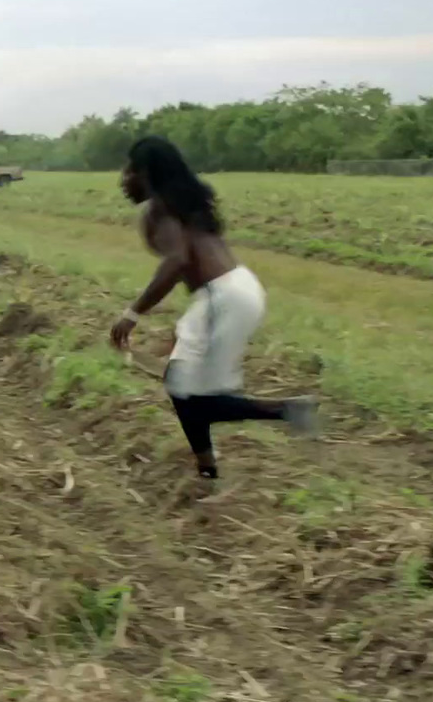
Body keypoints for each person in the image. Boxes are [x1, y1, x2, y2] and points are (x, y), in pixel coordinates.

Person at [109, 135, 319, 484]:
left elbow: (177, 261)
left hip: (222, 297)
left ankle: (288, 410)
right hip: (238, 288)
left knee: (191, 393)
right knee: (182, 387)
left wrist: (132, 314)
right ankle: (206, 469)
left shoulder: (160, 209)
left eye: (128, 170)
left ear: (145, 173)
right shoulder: (182, 203)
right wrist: (179, 332)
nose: (122, 180)